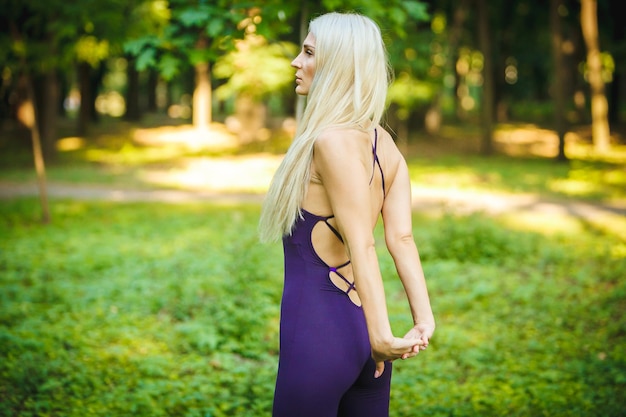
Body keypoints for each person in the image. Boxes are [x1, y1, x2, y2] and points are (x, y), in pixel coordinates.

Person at [258, 11, 435, 417]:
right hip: (363, 336)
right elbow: (402, 239)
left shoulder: (328, 140)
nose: (295, 63)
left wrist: (381, 337)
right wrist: (423, 321)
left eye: (308, 53)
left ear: (337, 64)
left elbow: (363, 243)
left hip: (320, 335)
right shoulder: (383, 144)